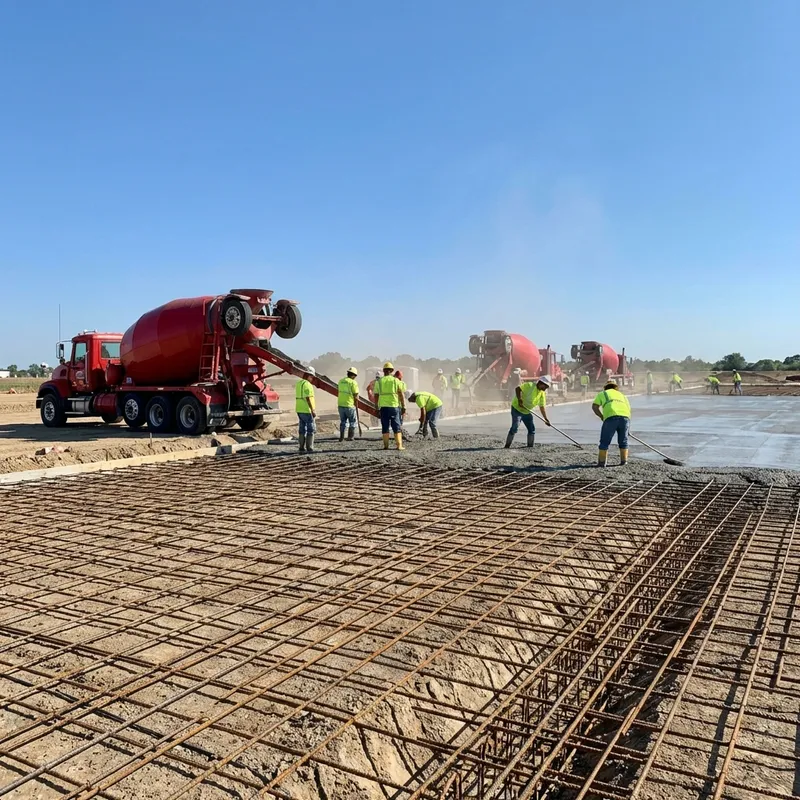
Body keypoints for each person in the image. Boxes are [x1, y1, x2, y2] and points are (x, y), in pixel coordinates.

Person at [504, 375, 552, 449]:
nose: (545, 389)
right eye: (545, 387)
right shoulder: (530, 386)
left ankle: (530, 447)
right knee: (515, 427)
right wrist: (520, 399)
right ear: (541, 383)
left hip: (527, 411)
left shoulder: (542, 393)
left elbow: (542, 407)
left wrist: (545, 419)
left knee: (531, 429)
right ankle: (507, 446)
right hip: (517, 409)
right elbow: (518, 389)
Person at [592, 380, 631, 467]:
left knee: (604, 441)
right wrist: (628, 428)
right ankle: (624, 461)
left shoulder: (603, 393)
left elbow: (594, 406)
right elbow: (628, 410)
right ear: (615, 387)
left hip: (611, 417)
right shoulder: (623, 396)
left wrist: (602, 416)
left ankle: (602, 463)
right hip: (625, 418)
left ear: (606, 387)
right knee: (623, 441)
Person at [375, 362, 406, 450]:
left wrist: (376, 407)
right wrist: (404, 406)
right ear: (392, 371)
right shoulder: (396, 380)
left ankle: (386, 446)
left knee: (385, 426)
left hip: (383, 407)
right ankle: (399, 446)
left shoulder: (379, 381)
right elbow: (401, 394)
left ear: (384, 371)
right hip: (394, 406)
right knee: (396, 426)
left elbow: (376, 395)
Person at [295, 367, 317, 454]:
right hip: (307, 410)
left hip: (299, 409)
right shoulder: (308, 385)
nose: (312, 379)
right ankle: (309, 447)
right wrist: (313, 410)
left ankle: (301, 447)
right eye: (312, 377)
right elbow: (308, 398)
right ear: (309, 376)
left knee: (302, 428)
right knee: (310, 429)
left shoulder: (298, 383)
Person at [337, 367, 359, 441]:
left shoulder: (341, 381)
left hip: (340, 404)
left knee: (343, 421)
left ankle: (342, 437)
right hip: (349, 404)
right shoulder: (353, 382)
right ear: (353, 375)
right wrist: (356, 402)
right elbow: (356, 395)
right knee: (352, 421)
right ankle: (350, 437)